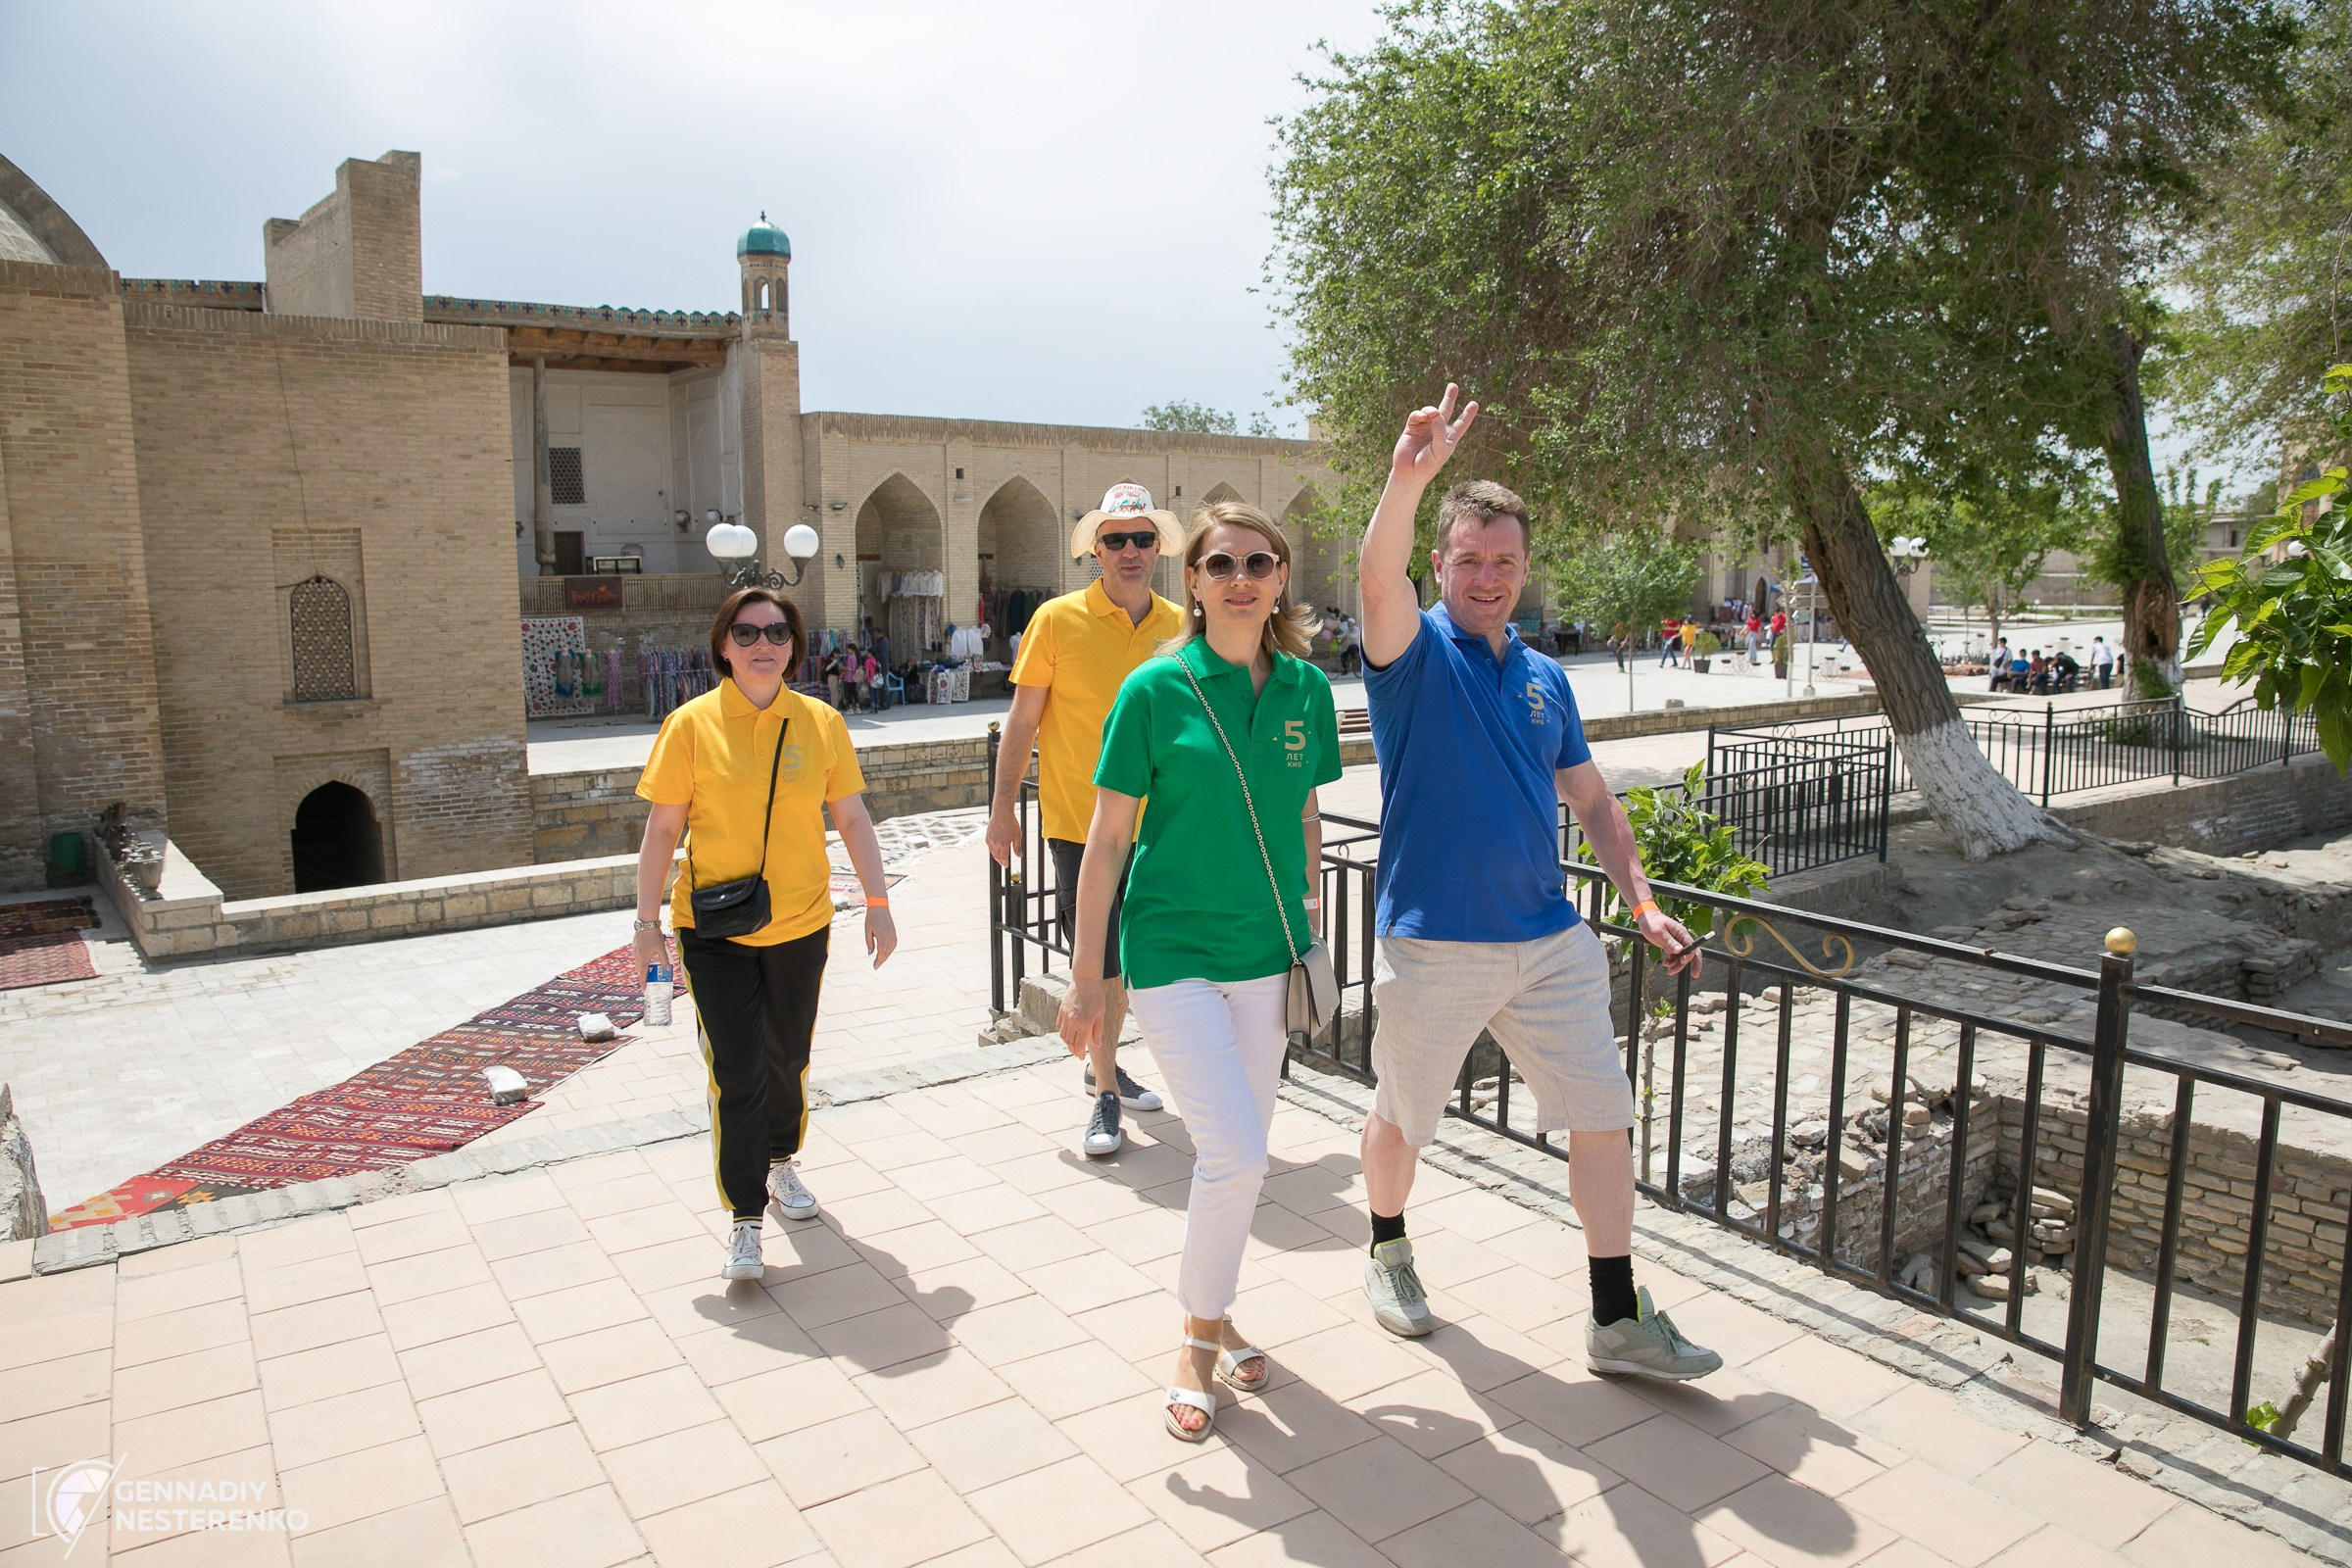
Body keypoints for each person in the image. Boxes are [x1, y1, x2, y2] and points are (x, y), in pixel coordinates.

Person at [1353, 383, 1722, 1381]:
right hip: (1437, 940)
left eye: (1502, 560)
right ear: (1441, 564)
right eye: (1467, 558)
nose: (1485, 575)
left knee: (1604, 1114)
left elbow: (1595, 800)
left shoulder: (1544, 676)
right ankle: (1387, 1245)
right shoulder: (1412, 651)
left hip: (1550, 937)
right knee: (1404, 1116)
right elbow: (1373, 576)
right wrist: (1406, 477)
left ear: (1524, 568)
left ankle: (1616, 1315)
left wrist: (1639, 899)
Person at [1058, 502, 1341, 1441]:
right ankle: (1193, 1343)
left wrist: (1306, 924)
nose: (1241, 578)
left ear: (1281, 578)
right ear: (1196, 582)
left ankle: (1216, 1314)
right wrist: (1087, 976)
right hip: (1172, 950)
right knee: (1237, 1154)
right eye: (1221, 563)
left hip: (1266, 956)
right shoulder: (1153, 690)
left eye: (1259, 562)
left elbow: (1301, 813)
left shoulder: (1304, 690)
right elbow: (1105, 843)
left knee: (1241, 1155)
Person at [632, 588, 898, 1282]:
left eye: (776, 632)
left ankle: (782, 1161)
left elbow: (852, 817)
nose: (762, 644)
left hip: (801, 923)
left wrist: (877, 900)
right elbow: (663, 828)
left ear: (793, 644)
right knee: (737, 1070)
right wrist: (645, 926)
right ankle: (744, 1218)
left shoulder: (819, 722)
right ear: (723, 645)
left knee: (788, 1058)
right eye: (746, 633)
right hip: (714, 930)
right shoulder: (690, 726)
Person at [986, 484, 1178, 1155]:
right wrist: (1002, 808)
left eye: (1142, 538)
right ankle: (1103, 1094)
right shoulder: (1056, 620)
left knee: (1146, 961)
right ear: (1095, 549)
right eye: (1116, 539)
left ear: (1159, 547)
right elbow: (1022, 720)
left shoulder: (1182, 627)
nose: (1130, 551)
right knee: (1095, 962)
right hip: (1080, 825)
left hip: (1165, 828)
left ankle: (1109, 1064)